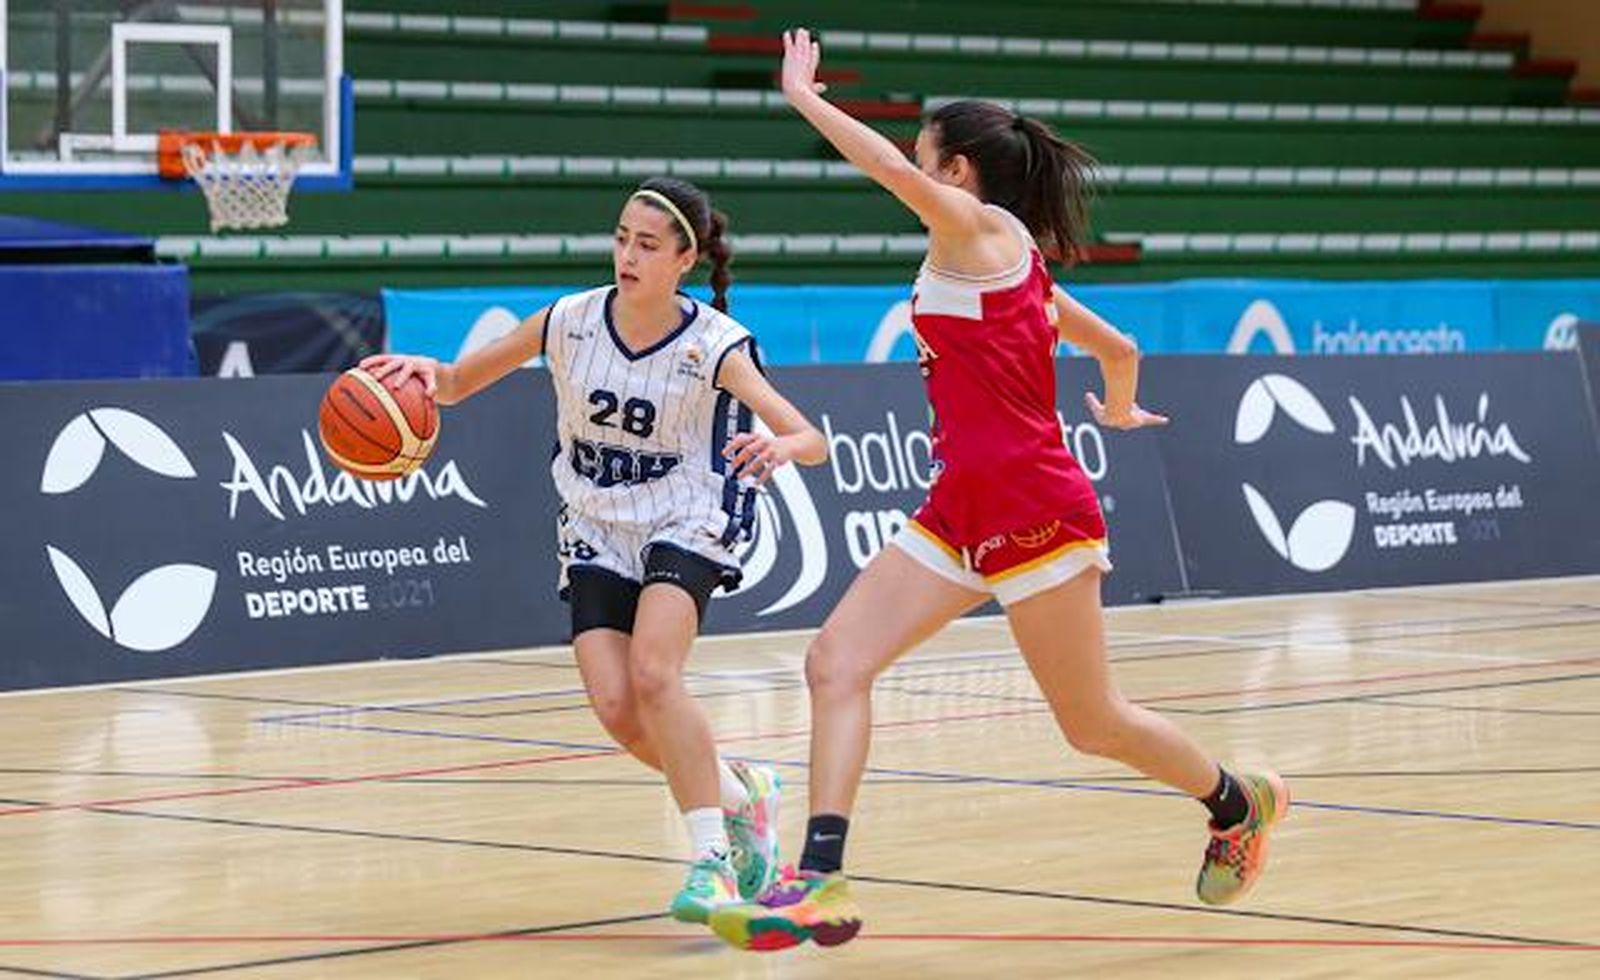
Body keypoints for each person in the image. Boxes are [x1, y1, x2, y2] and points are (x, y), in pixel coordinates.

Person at [709, 30, 1288, 952]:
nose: (923, 175)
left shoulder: (978, 230)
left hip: (1035, 508)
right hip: (962, 508)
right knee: (834, 663)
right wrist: (1120, 409)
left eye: (933, 159)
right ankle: (819, 879)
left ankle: (1237, 800)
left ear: (960, 172)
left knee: (1092, 724)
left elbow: (889, 169)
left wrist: (805, 100)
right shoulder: (1016, 263)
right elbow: (1120, 349)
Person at [362, 176, 828, 925]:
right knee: (616, 709)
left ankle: (709, 860)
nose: (627, 255)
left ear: (684, 260)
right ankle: (743, 793)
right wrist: (424, 376)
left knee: (653, 674)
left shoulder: (716, 345)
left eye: (647, 245)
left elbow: (814, 439)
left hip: (688, 515)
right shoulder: (568, 321)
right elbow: (454, 384)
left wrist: (782, 445)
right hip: (595, 522)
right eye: (620, 238)